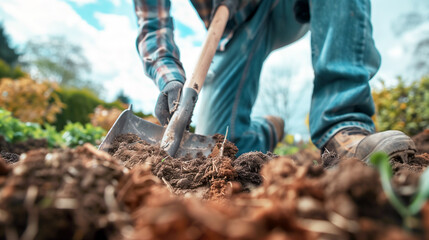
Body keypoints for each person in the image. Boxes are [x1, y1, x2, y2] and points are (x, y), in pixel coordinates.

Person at [133, 0, 416, 161]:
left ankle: (343, 127)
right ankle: (269, 129)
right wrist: (170, 78)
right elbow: (153, 26)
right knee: (222, 147)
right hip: (236, 26)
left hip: (285, 7)